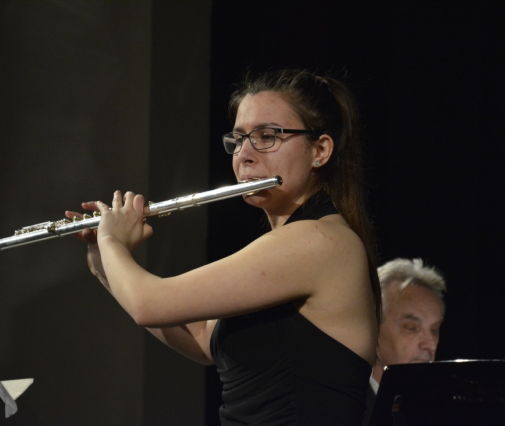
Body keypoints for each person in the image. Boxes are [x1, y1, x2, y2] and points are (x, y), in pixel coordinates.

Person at [67, 69, 381, 425]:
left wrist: (112, 240)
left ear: (320, 150)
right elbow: (202, 339)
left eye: (266, 136)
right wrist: (102, 263)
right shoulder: (292, 243)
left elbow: (147, 304)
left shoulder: (319, 240)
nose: (244, 154)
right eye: (238, 139)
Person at [363, 258, 446, 425]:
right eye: (411, 328)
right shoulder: (341, 409)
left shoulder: (442, 410)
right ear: (373, 328)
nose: (430, 345)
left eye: (434, 330)